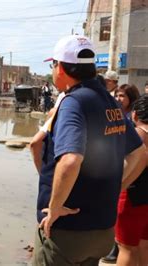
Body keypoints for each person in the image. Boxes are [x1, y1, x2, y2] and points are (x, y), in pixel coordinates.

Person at [33, 35, 144, 265]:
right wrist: (117, 186)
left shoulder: (74, 102)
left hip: (68, 233)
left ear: (61, 68)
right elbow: (138, 152)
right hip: (102, 229)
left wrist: (53, 208)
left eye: (53, 65)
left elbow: (71, 160)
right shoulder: (110, 101)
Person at [115, 94, 148, 266]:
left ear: (134, 114)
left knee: (126, 248)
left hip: (131, 198)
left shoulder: (136, 136)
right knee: (144, 246)